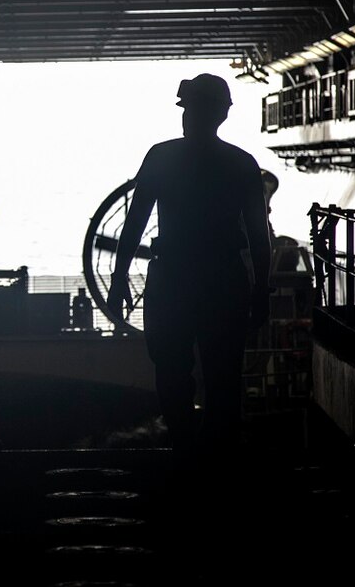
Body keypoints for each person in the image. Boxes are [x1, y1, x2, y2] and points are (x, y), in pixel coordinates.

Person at [108, 74, 271, 458]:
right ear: (223, 114)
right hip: (224, 278)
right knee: (223, 375)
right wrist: (260, 290)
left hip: (173, 277)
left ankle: (183, 451)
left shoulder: (161, 157)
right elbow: (258, 234)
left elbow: (133, 224)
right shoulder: (242, 163)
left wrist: (118, 280)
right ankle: (218, 458)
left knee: (170, 370)